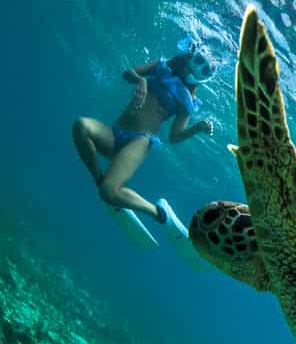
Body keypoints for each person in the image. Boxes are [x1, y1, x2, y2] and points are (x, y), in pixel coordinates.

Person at [72, 37, 215, 234]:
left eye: (206, 70)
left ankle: (159, 213)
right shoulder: (160, 66)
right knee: (81, 126)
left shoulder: (188, 100)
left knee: (108, 192)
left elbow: (174, 137)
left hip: (140, 141)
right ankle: (98, 177)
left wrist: (197, 128)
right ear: (192, 56)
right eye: (200, 61)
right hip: (114, 134)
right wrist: (141, 80)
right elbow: (127, 74)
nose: (199, 69)